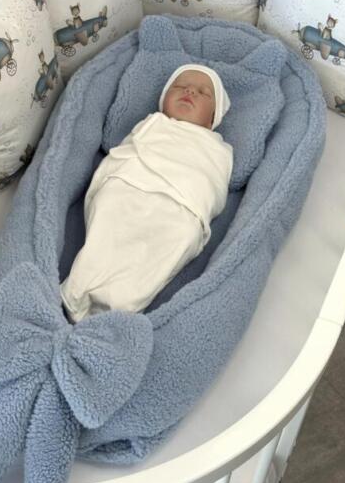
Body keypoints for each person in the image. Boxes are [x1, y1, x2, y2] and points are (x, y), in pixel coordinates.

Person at [60, 64, 233, 322]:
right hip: (130, 185)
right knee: (110, 216)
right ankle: (78, 287)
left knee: (180, 236)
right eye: (180, 86)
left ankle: (123, 305)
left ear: (213, 118)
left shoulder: (218, 150)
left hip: (181, 206)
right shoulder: (152, 124)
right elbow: (124, 154)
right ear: (163, 102)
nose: (189, 91)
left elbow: (212, 188)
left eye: (203, 93)